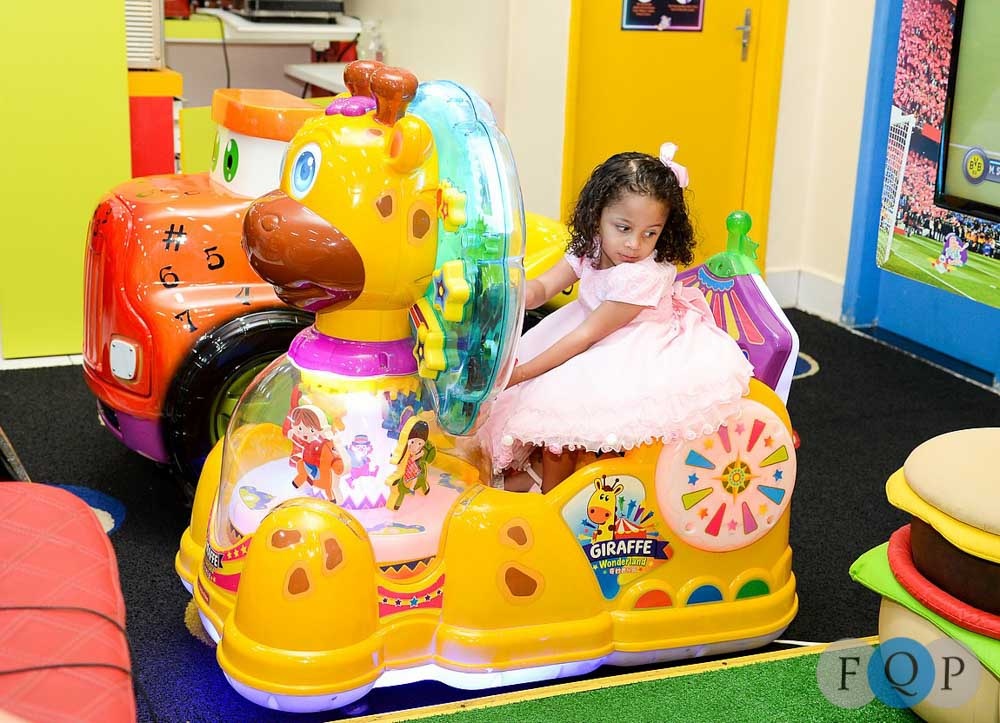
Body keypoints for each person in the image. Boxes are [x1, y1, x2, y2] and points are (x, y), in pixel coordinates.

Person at [480, 143, 754, 493]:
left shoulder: (642, 275)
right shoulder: (592, 246)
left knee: (556, 399)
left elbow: (586, 337)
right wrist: (510, 291)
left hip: (635, 344)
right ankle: (540, 474)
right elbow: (543, 287)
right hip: (592, 329)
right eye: (623, 228)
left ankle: (553, 495)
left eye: (650, 233)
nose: (634, 244)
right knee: (541, 393)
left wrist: (518, 374)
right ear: (597, 216)